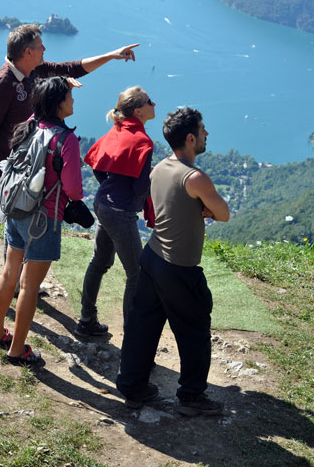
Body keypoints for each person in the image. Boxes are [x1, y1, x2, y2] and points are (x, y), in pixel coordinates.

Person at [0, 23, 138, 303]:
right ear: (27, 51)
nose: (45, 49)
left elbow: (72, 68)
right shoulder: (2, 84)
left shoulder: (34, 72)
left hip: (23, 166)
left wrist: (112, 54)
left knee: (19, 221)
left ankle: (22, 283)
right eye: (40, 46)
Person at [116, 107, 230, 416]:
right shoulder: (196, 178)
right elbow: (224, 213)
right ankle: (192, 396)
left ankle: (132, 387)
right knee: (193, 330)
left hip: (151, 257)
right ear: (191, 138)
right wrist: (207, 208)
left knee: (142, 326)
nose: (207, 134)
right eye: (203, 130)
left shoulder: (160, 168)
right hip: (179, 267)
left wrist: (199, 208)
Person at [0, 76, 82, 365]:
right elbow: (74, 189)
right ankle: (17, 351)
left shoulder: (27, 127)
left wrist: (57, 84)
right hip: (45, 218)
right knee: (29, 286)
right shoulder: (66, 140)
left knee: (9, 272)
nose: (73, 100)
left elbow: (37, 109)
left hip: (16, 208)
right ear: (58, 103)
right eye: (68, 96)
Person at [74, 86, 156, 337]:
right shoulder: (143, 142)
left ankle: (86, 320)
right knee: (137, 275)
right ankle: (133, 343)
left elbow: (96, 162)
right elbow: (141, 187)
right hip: (120, 212)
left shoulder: (117, 130)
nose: (155, 103)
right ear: (139, 110)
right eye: (150, 101)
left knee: (100, 262)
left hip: (103, 204)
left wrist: (110, 187)